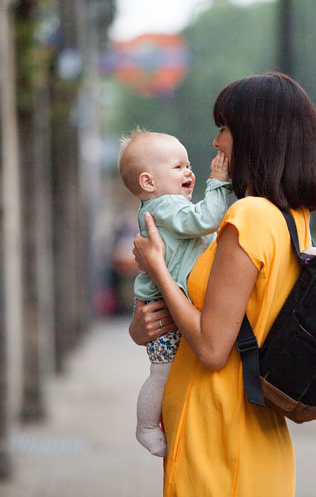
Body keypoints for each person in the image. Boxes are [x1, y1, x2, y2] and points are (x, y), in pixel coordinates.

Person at [130, 72, 316, 496]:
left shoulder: (248, 218)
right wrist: (142, 327)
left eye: (224, 128)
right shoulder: (291, 217)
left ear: (254, 136)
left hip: (219, 430)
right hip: (244, 426)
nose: (216, 142)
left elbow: (210, 346)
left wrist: (157, 268)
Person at [118, 129, 231, 457]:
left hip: (167, 300)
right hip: (159, 304)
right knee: (162, 371)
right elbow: (207, 219)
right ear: (148, 182)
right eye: (178, 167)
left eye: (189, 165)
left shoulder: (167, 209)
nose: (190, 172)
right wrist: (219, 182)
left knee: (169, 370)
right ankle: (146, 426)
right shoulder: (164, 207)